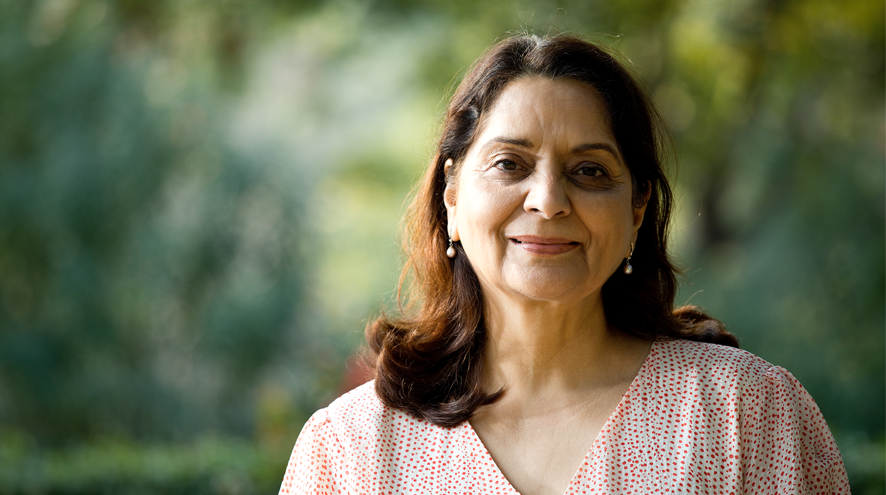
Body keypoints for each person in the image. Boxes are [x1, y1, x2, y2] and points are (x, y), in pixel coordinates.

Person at [278, 34, 850, 494]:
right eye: (510, 163)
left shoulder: (746, 415)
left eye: (590, 171)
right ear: (452, 197)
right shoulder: (351, 449)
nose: (548, 199)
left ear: (637, 207)